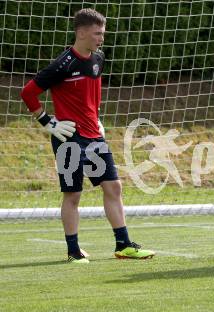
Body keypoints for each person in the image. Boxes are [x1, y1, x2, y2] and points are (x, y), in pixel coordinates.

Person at [20, 8, 155, 263]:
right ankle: (73, 251)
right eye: (97, 33)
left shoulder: (98, 59)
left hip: (94, 137)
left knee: (113, 187)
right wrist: (48, 122)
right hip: (68, 139)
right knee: (73, 194)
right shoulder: (63, 64)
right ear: (81, 33)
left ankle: (123, 245)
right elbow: (28, 93)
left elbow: (94, 91)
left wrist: (97, 117)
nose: (101, 38)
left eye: (102, 33)